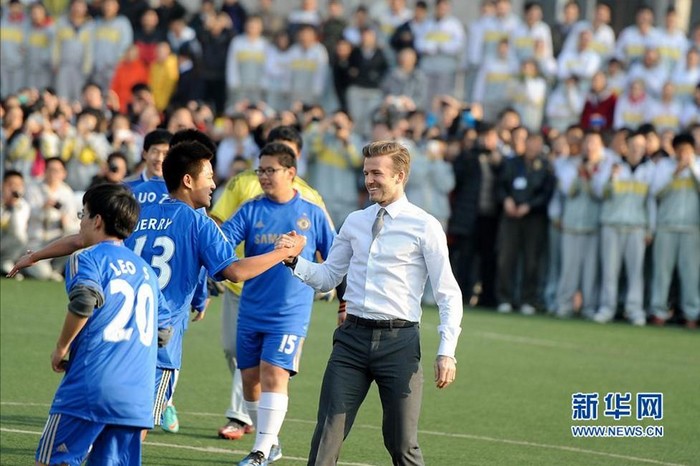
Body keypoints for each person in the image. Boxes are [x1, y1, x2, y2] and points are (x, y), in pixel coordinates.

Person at [8, 139, 307, 438]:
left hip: (115, 333)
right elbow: (235, 272)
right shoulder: (199, 223)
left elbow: (82, 238)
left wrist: (34, 255)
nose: (214, 184)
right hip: (160, 342)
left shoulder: (139, 211)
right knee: (132, 433)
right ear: (188, 181)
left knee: (89, 428)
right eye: (209, 177)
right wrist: (284, 253)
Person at [278, 140, 463, 466]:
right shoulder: (355, 222)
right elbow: (328, 277)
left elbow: (448, 292)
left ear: (400, 175)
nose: (369, 180)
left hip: (400, 344)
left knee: (402, 443)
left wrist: (447, 351)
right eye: (366, 173)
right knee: (326, 437)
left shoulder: (425, 226)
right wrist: (295, 261)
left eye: (377, 173)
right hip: (351, 341)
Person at [34, 183, 170, 466]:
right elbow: (163, 332)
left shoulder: (86, 257)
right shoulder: (146, 270)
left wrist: (61, 347)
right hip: (136, 396)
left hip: (91, 385)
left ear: (97, 220)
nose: (80, 222)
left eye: (83, 215)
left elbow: (84, 301)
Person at [210, 125, 329, 442]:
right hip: (247, 302)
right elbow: (222, 239)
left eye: (270, 170)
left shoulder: (312, 209)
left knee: (273, 373)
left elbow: (335, 258)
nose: (263, 176)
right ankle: (267, 439)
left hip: (289, 311)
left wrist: (338, 295)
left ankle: (261, 448)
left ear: (292, 170)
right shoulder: (249, 206)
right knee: (247, 375)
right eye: (260, 170)